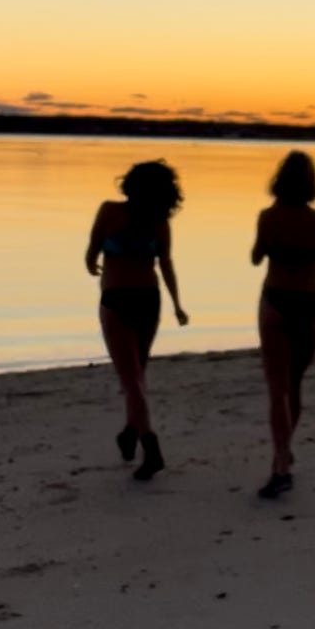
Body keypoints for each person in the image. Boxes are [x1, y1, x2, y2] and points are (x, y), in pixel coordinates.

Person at [86, 160, 188, 480]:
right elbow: (166, 265)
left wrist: (92, 264)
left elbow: (92, 251)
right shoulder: (160, 223)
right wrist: (177, 305)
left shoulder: (109, 211)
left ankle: (150, 445)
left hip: (117, 300)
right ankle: (130, 433)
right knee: (137, 377)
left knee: (131, 380)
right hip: (148, 300)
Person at [251, 150, 315, 500]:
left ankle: (281, 462)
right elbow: (311, 257)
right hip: (309, 302)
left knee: (277, 388)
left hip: (276, 300)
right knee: (294, 384)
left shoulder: (268, 216)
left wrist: (267, 245)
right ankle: (283, 453)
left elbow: (257, 256)